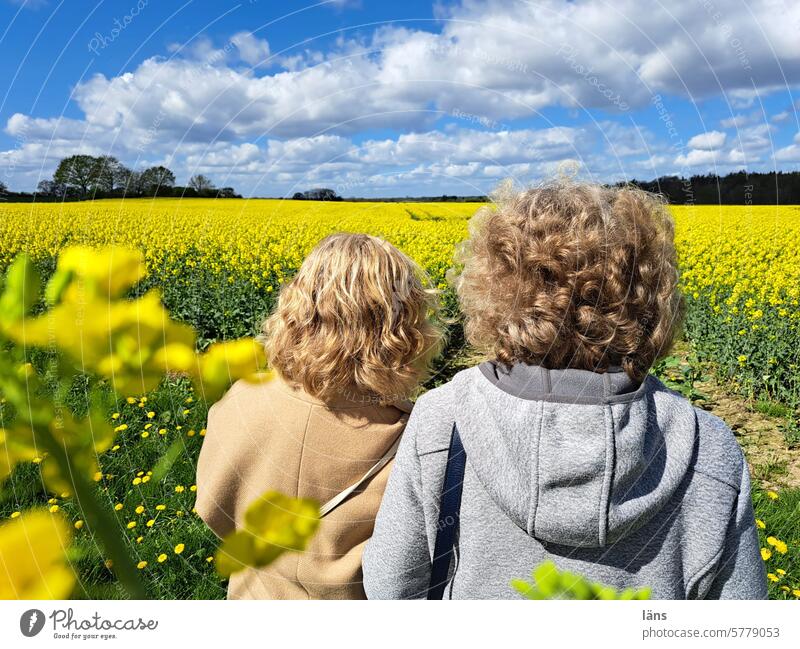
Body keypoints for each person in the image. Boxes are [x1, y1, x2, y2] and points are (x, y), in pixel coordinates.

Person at [362, 181, 768, 600]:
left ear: (495, 288)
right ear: (650, 295)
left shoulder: (441, 419)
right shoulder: (708, 447)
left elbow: (391, 585)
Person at [196, 233, 443, 599]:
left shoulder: (242, 397)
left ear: (297, 307)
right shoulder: (413, 438)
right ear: (403, 329)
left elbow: (211, 508)